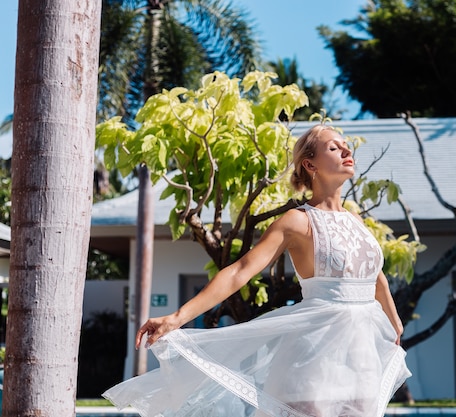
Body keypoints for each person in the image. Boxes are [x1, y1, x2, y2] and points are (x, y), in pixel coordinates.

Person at [103, 124, 411, 417]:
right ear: (310, 165)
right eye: (334, 147)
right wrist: (177, 318)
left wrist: (394, 322)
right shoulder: (297, 222)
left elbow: (375, 276)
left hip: (362, 354)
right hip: (316, 353)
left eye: (346, 146)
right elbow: (240, 271)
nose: (346, 151)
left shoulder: (356, 221)